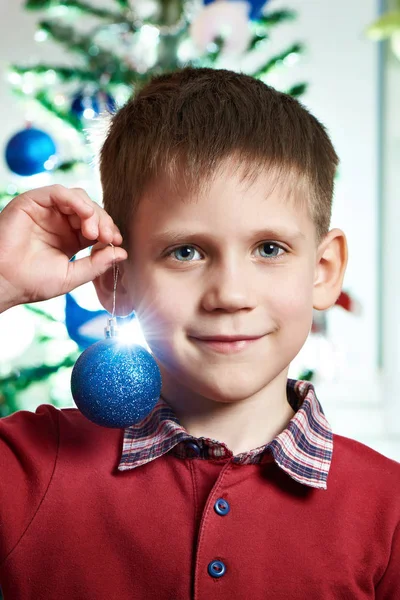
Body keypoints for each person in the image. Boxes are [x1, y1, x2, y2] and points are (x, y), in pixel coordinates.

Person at [0, 67, 398, 600]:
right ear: (116, 276)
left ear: (324, 270)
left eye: (269, 249)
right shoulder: (29, 469)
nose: (231, 294)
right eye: (185, 251)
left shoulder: (388, 512)